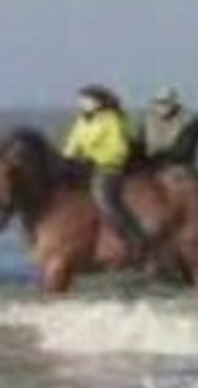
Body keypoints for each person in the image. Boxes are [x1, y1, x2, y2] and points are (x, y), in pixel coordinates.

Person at [63, 84, 147, 260]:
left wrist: (95, 159)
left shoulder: (112, 120)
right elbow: (72, 145)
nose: (81, 103)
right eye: (80, 100)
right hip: (84, 167)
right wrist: (65, 160)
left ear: (98, 102)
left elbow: (119, 149)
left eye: (86, 100)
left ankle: (134, 238)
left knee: (104, 198)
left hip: (108, 168)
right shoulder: (82, 121)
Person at [138, 88, 198, 168]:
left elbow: (182, 150)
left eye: (166, 102)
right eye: (158, 103)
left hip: (179, 167)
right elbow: (140, 144)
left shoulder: (189, 121)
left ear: (174, 103)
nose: (162, 106)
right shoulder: (146, 119)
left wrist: (156, 158)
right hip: (151, 165)